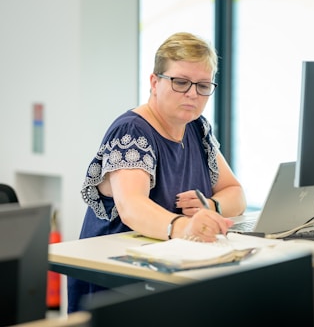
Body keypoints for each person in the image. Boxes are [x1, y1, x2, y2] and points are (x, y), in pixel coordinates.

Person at [67, 32, 247, 312]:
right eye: (180, 82)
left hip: (168, 271)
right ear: (154, 82)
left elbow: (235, 192)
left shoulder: (197, 129)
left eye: (202, 85)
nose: (192, 93)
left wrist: (210, 206)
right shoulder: (133, 130)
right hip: (115, 284)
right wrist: (184, 227)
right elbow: (132, 207)